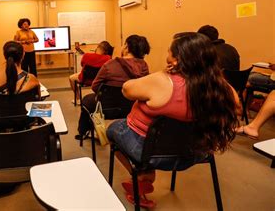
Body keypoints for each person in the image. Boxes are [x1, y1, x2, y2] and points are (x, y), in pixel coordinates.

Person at [106, 32, 238, 208]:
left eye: (169, 51)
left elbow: (126, 89)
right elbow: (236, 104)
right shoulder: (218, 86)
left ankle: (142, 173)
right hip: (196, 152)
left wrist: (163, 72)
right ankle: (142, 175)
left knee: (112, 130)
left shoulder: (163, 81)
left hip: (151, 153)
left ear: (175, 60)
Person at [76, 35, 150, 138]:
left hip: (106, 109)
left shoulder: (110, 64)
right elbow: (145, 88)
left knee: (86, 100)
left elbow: (95, 86)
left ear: (127, 47)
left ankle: (83, 132)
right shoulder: (144, 66)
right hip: (132, 108)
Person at [68, 41, 113, 105]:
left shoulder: (87, 55)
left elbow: (82, 64)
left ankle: (78, 99)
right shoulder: (108, 58)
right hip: (99, 81)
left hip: (85, 80)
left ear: (98, 48)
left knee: (71, 78)